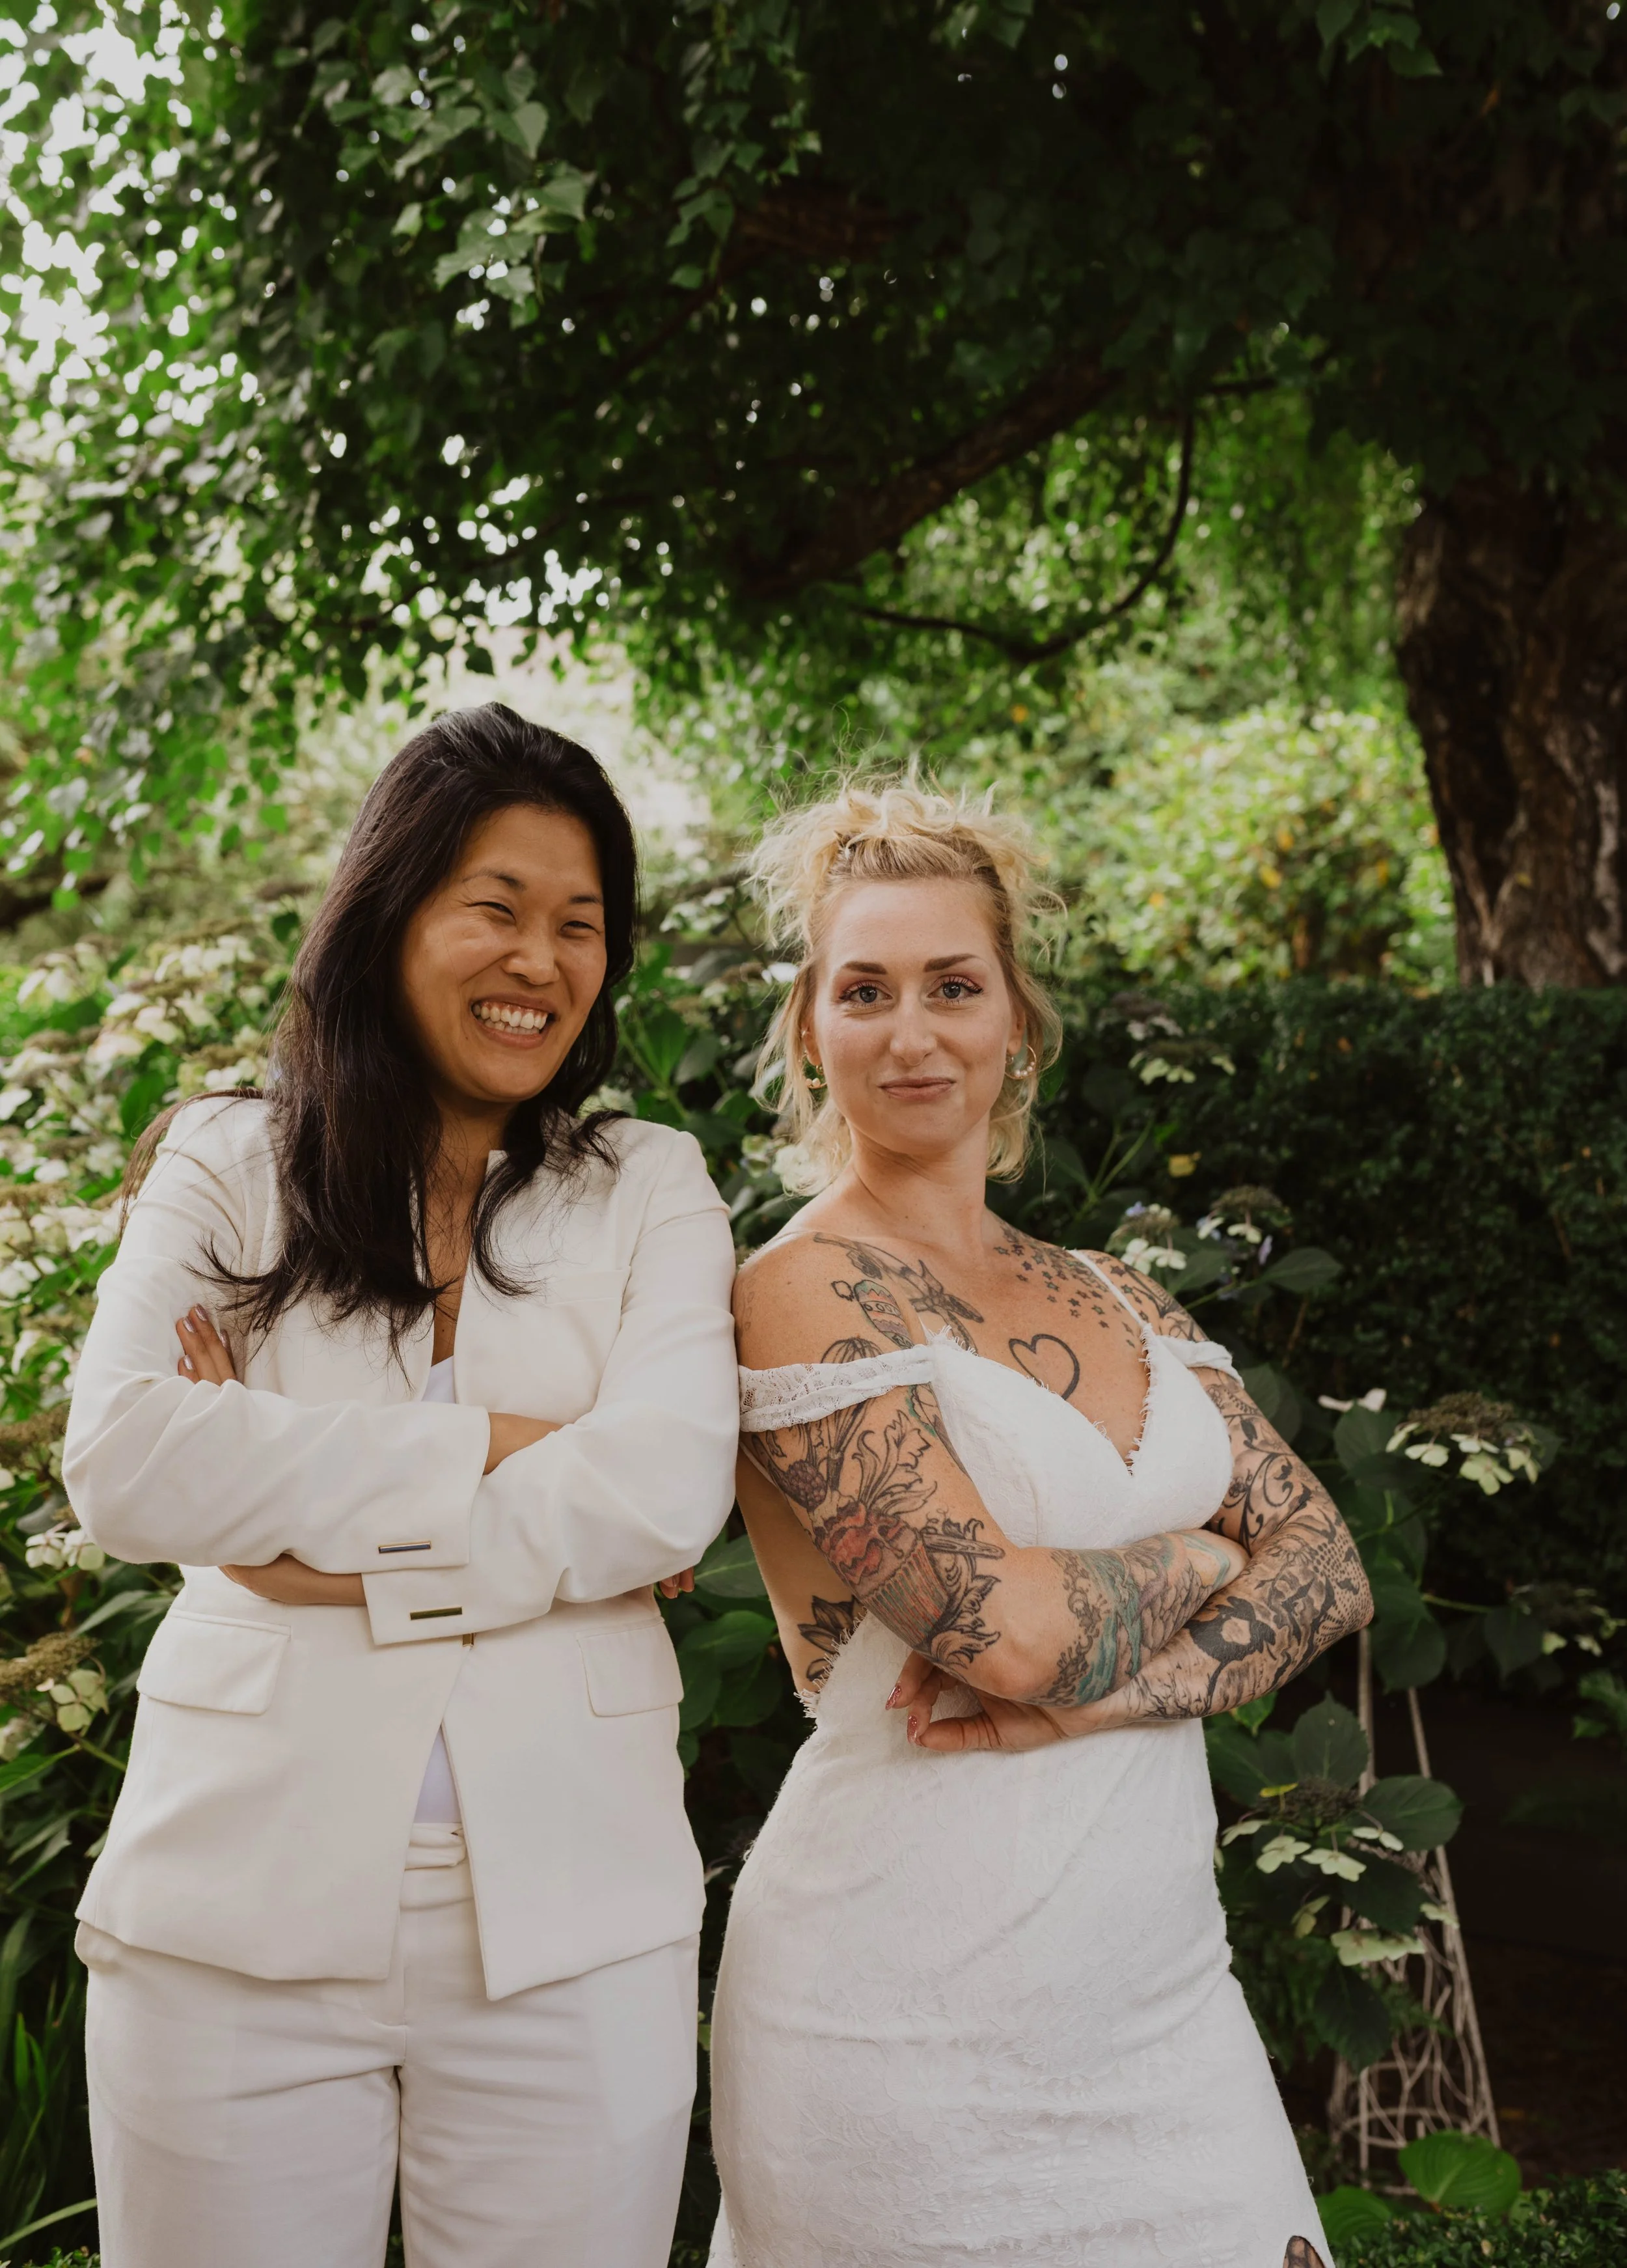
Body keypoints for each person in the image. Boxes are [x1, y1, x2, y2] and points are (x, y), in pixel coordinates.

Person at [63, 704, 739, 2268]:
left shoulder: (646, 1183)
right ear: (392, 914)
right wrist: (496, 1446)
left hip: (574, 1925)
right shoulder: (233, 1158)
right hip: (228, 1913)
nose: (540, 959)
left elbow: (659, 1488)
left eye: (580, 924)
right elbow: (126, 1459)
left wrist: (303, 1549)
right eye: (495, 906)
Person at [707, 780, 1372, 2268]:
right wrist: (1210, 1553)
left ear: (1016, 1018)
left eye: (953, 984)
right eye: (861, 989)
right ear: (808, 1026)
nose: (909, 1029)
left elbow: (1331, 1565)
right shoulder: (803, 1289)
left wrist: (1116, 1691)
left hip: (1159, 1991)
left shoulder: (1125, 1293)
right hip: (893, 2011)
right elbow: (999, 1634)